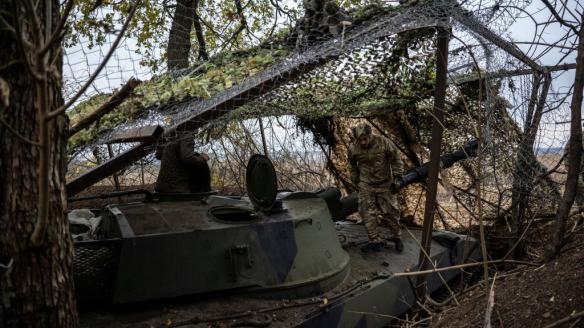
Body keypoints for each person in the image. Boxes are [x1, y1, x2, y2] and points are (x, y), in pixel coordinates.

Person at [348, 123, 404, 252]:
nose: (363, 142)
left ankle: (397, 237)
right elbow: (351, 164)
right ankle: (375, 240)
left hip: (384, 183)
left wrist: (398, 177)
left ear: (370, 135)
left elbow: (396, 158)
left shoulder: (383, 142)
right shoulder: (353, 147)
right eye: (360, 140)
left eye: (365, 139)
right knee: (367, 213)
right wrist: (355, 180)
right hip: (366, 184)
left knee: (391, 212)